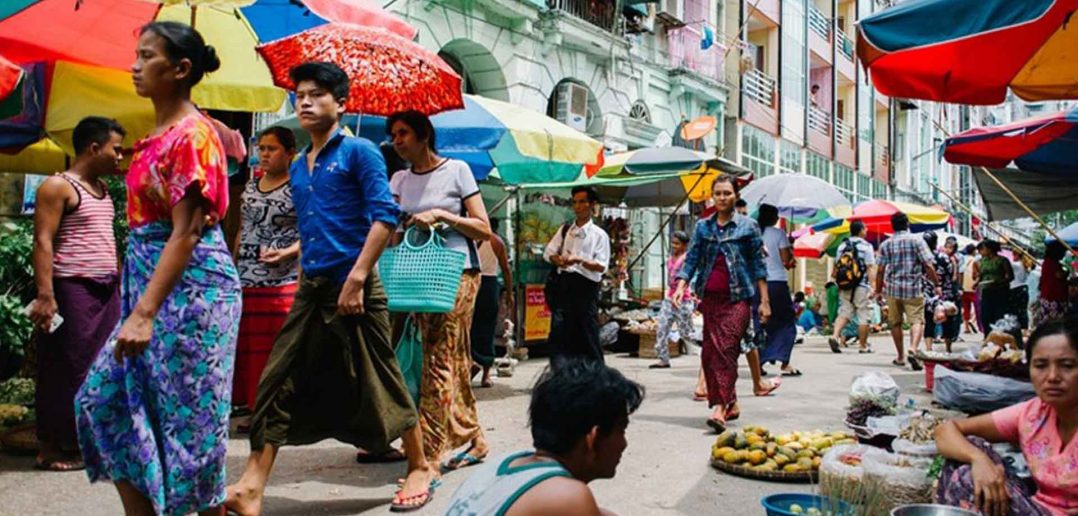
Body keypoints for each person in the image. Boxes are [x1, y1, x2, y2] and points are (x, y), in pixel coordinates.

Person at [226, 63, 435, 514]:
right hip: (312, 287)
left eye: (317, 94)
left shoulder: (360, 152)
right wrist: (297, 266)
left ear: (341, 103)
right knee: (275, 380)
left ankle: (419, 464)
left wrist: (358, 278)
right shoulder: (299, 167)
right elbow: (315, 225)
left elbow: (383, 215)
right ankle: (251, 485)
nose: (305, 101)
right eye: (300, 94)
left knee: (381, 378)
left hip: (356, 284)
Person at [74, 22, 242, 516]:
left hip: (193, 292)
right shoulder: (157, 136)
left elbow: (187, 232)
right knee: (105, 402)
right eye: (138, 55)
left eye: (147, 56)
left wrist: (144, 312)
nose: (134, 65)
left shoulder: (194, 136)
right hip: (152, 280)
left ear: (181, 69)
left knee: (189, 427)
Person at [387, 109, 494, 473]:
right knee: (452, 358)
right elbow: (390, 231)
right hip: (417, 276)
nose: (397, 140)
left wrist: (442, 215)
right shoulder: (399, 180)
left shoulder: (457, 170)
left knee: (437, 358)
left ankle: (431, 453)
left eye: (403, 133)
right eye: (394, 134)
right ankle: (474, 438)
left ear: (423, 136)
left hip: (458, 273)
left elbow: (483, 228)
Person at [29, 116, 124, 472]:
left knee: (102, 366)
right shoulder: (59, 186)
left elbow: (107, 239)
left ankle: (86, 441)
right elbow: (42, 241)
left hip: (105, 288)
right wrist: (45, 294)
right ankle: (52, 447)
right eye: (116, 149)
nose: (120, 157)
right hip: (72, 287)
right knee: (65, 365)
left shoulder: (102, 188)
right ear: (93, 147)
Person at [445, 359, 643, 516]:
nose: (624, 444)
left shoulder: (506, 465)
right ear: (593, 437)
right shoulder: (566, 498)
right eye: (621, 430)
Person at [933, 318, 1078, 516]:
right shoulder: (1034, 414)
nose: (1052, 376)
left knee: (965, 480)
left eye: (1067, 365)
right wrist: (979, 460)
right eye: (1041, 365)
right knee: (968, 452)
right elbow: (945, 431)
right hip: (1037, 508)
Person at [673, 175, 770, 432]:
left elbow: (759, 266)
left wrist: (765, 301)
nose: (722, 198)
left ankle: (719, 407)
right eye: (718, 193)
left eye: (727, 193)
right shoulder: (703, 227)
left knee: (726, 348)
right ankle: (731, 402)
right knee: (710, 353)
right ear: (712, 196)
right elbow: (692, 260)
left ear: (735, 195)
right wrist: (681, 285)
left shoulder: (748, 226)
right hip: (710, 299)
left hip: (738, 299)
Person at [230, 126, 300, 416]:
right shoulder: (250, 186)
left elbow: (313, 231)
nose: (265, 154)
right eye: (262, 148)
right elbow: (243, 229)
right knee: (246, 347)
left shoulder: (299, 187)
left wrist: (286, 252)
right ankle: (252, 405)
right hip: (246, 276)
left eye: (272, 149)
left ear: (290, 153)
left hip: (282, 280)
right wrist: (233, 265)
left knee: (275, 349)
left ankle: (274, 410)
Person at [544, 186, 611, 364]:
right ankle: (561, 374)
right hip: (564, 286)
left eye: (582, 202)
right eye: (575, 202)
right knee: (559, 334)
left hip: (585, 289)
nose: (578, 206)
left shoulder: (599, 235)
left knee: (587, 334)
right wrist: (558, 260)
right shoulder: (565, 230)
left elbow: (601, 266)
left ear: (592, 205)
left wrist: (579, 260)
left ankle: (597, 375)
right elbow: (548, 253)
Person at [875, 212, 939, 371]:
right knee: (917, 321)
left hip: (892, 289)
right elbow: (928, 265)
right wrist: (936, 283)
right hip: (913, 288)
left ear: (892, 226)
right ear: (907, 224)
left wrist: (878, 291)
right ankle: (913, 348)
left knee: (895, 323)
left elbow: (880, 270)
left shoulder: (886, 244)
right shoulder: (918, 241)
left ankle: (900, 356)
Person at [755, 204, 800, 376]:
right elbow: (787, 262)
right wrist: (790, 248)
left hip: (756, 284)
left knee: (759, 322)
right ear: (774, 218)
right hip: (776, 283)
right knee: (786, 322)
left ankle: (758, 362)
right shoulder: (778, 233)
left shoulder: (753, 233)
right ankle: (784, 362)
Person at [470, 218, 513, 388]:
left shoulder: (470, 238)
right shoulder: (497, 241)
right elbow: (506, 270)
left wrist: (509, 293)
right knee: (486, 328)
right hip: (489, 285)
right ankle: (485, 372)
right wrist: (509, 293)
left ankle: (476, 364)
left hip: (474, 282)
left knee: (471, 327)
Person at [828, 220, 877, 354]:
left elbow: (837, 266)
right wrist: (873, 286)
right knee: (863, 314)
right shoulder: (866, 246)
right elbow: (870, 267)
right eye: (865, 229)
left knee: (844, 312)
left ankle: (834, 336)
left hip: (845, 284)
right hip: (861, 285)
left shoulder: (842, 246)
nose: (866, 231)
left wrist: (836, 282)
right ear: (861, 230)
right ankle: (862, 345)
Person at [650, 231, 695, 369]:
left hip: (683, 300)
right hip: (669, 299)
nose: (674, 246)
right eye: (673, 243)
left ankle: (710, 348)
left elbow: (688, 278)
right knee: (662, 328)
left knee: (687, 334)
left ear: (685, 245)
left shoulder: (687, 259)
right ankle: (663, 358)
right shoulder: (670, 259)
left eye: (677, 243)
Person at [921, 232, 961, 352]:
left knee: (929, 321)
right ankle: (948, 349)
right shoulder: (943, 257)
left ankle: (928, 349)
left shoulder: (921, 257)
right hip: (945, 293)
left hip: (928, 293)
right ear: (935, 243)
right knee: (947, 321)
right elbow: (950, 274)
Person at [973, 239, 1014, 337]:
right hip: (986, 290)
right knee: (985, 315)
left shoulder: (1002, 260)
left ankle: (999, 337)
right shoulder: (982, 261)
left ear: (990, 249)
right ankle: (988, 336)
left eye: (983, 249)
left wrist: (999, 281)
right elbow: (981, 275)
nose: (981, 252)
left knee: (999, 315)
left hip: (1000, 291)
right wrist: (977, 283)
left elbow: (1010, 276)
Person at [1036, 241, 1069, 327]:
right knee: (1053, 322)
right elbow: (1059, 275)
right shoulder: (1052, 263)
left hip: (1049, 295)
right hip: (1053, 296)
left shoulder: (1047, 262)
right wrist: (1067, 273)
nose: (1064, 254)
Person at [1009, 248, 1030, 333]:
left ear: (1017, 255)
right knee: (1023, 310)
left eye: (1013, 255)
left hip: (1015, 288)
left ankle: (1016, 330)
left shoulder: (1016, 265)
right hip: (1024, 288)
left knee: (1015, 311)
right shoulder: (1024, 265)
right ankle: (1025, 330)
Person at [960, 244, 980, 334]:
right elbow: (977, 273)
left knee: (966, 308)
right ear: (973, 251)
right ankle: (978, 325)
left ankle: (966, 327)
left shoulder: (962, 259)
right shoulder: (975, 260)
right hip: (973, 286)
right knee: (977, 307)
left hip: (964, 287)